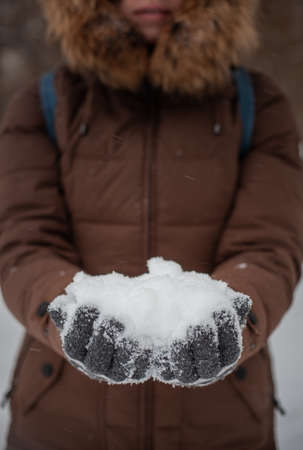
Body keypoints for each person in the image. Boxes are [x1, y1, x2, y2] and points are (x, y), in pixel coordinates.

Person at [1, 0, 303, 448]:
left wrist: (235, 312)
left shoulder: (258, 105)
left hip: (220, 426)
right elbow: (22, 243)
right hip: (62, 422)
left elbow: (269, 244)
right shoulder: (44, 104)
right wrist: (67, 308)